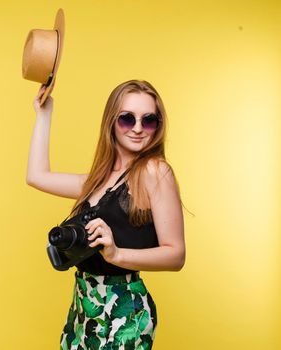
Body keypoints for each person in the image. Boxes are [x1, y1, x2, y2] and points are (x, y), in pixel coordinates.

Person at [26, 79, 185, 349]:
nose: (137, 128)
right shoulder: (98, 179)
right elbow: (36, 176)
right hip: (84, 305)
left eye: (148, 120)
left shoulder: (155, 172)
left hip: (124, 310)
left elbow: (176, 254)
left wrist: (117, 254)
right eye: (127, 119)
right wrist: (44, 114)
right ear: (111, 121)